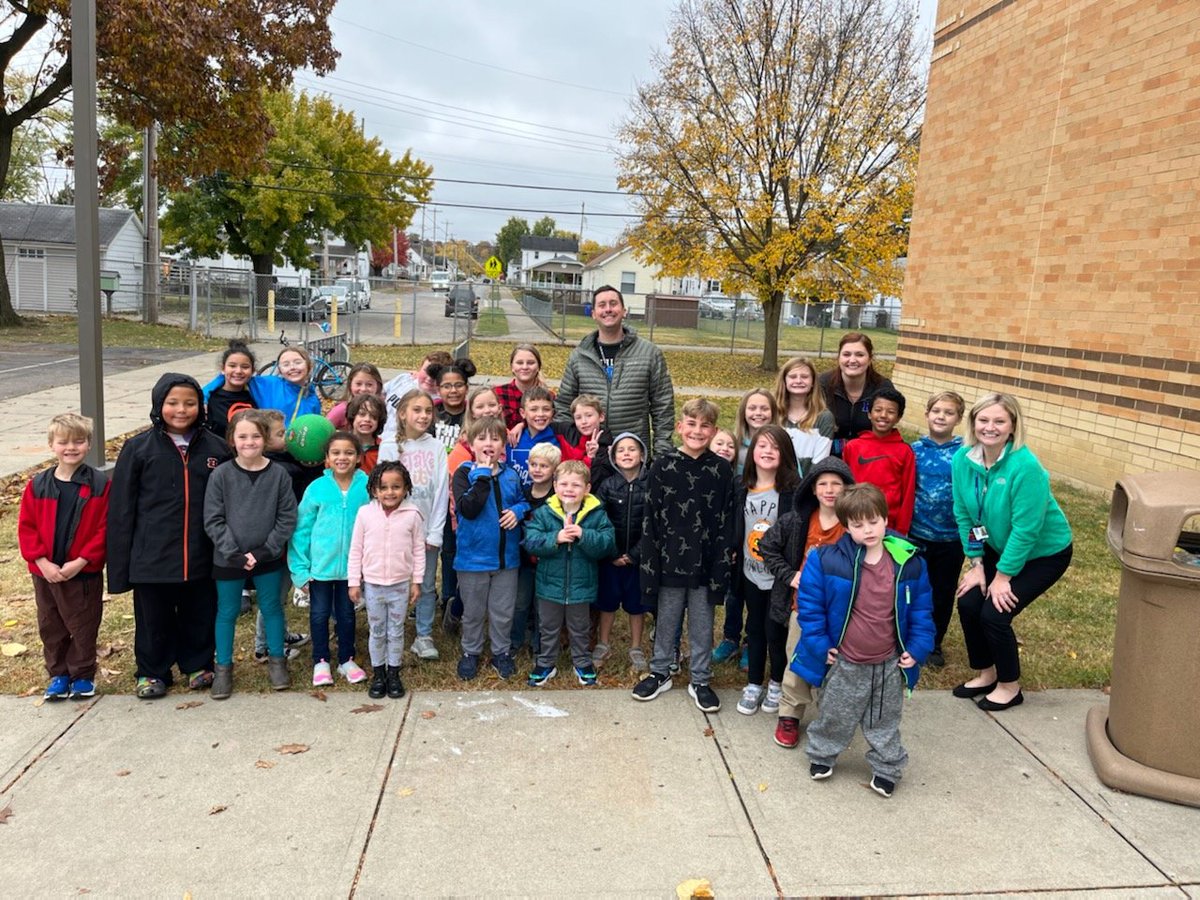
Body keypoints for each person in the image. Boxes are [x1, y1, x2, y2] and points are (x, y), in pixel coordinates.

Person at [794, 484, 935, 798]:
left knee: (884, 720)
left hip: (888, 662)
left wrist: (918, 648)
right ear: (846, 527)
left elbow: (923, 611)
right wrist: (820, 644)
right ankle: (822, 755)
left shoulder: (908, 562)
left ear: (885, 519)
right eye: (857, 525)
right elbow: (811, 608)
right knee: (835, 713)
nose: (867, 530)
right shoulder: (826, 560)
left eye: (873, 521)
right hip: (845, 659)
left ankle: (887, 768)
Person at [107, 373, 232, 699]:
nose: (181, 410)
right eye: (173, 402)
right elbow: (121, 510)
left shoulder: (217, 449)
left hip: (201, 553)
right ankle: (152, 671)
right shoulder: (138, 449)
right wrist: (120, 568)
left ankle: (197, 664)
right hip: (152, 555)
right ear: (159, 404)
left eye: (190, 403)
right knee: (153, 618)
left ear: (200, 406)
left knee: (200, 611)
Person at [951, 393, 1073, 711]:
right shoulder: (963, 460)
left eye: (999, 421)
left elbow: (1026, 530)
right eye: (983, 420)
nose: (990, 427)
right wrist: (977, 563)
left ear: (1012, 426)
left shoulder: (1026, 467)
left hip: (1043, 553)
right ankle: (986, 673)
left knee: (995, 613)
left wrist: (1003, 577)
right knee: (968, 601)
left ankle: (1009, 685)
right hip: (996, 546)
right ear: (973, 423)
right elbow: (967, 514)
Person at [632, 398, 735, 712]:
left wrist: (721, 562)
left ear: (714, 430)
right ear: (680, 427)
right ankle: (661, 669)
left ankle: (701, 678)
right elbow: (651, 517)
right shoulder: (663, 466)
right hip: (669, 561)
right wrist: (651, 562)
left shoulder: (721, 470)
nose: (697, 430)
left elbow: (726, 519)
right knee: (667, 619)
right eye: (691, 424)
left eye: (705, 425)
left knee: (702, 624)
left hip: (705, 563)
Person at [759, 457, 856, 748]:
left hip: (843, 611)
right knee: (799, 660)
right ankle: (789, 714)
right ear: (812, 489)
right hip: (803, 607)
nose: (829, 490)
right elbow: (767, 546)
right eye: (823, 483)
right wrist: (789, 575)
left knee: (840, 665)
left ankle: (833, 716)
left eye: (836, 484)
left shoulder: (855, 525)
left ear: (847, 489)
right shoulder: (796, 521)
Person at [203, 410, 298, 698]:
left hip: (267, 557)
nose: (249, 442)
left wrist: (266, 549)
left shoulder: (278, 474)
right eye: (242, 436)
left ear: (265, 439)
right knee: (227, 612)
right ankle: (223, 668)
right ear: (232, 439)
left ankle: (277, 661)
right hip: (228, 558)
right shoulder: (221, 475)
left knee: (271, 608)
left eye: (256, 436)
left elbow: (287, 516)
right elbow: (213, 518)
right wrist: (233, 552)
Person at [18, 413, 110, 701]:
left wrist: (82, 560)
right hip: (46, 572)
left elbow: (104, 528)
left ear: (88, 445)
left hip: (81, 571)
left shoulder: (99, 485)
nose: (71, 447)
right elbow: (27, 526)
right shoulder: (38, 485)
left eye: (79, 441)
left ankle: (82, 675)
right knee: (51, 623)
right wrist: (41, 562)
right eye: (63, 442)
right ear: (51, 445)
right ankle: (58, 674)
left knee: (82, 623)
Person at [523, 460, 616, 686]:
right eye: (564, 484)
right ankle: (546, 663)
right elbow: (530, 541)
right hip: (548, 586)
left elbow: (608, 543)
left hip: (581, 586)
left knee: (580, 627)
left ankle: (582, 662)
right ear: (555, 486)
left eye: (576, 485)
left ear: (587, 489)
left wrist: (584, 535)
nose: (569, 489)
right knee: (548, 626)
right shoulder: (545, 513)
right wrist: (555, 538)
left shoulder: (596, 514)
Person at [289, 431, 371, 687]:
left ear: (358, 457)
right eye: (335, 453)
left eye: (348, 452)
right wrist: (300, 570)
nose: (342, 457)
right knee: (319, 614)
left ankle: (346, 659)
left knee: (346, 615)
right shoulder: (317, 489)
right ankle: (321, 661)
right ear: (326, 458)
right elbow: (301, 531)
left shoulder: (366, 487)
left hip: (351, 569)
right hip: (319, 570)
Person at [451, 416, 530, 681]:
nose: (489, 443)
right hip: (473, 559)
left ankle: (501, 652)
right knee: (473, 611)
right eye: (482, 438)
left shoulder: (510, 474)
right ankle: (470, 652)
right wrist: (482, 476)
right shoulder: (464, 473)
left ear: (503, 446)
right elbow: (468, 509)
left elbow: (522, 501)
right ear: (471, 443)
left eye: (495, 439)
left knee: (502, 611)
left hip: (506, 560)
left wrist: (518, 511)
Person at [555, 284, 675, 458]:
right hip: (590, 455)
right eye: (602, 305)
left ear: (624, 310)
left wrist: (661, 454)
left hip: (633, 455)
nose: (608, 309)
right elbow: (564, 405)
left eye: (613, 304)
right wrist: (573, 449)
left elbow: (663, 407)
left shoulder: (649, 353)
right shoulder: (579, 356)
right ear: (593, 313)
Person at [734, 425, 801, 717]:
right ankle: (753, 684)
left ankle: (776, 682)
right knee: (754, 628)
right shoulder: (741, 487)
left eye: (775, 447)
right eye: (762, 445)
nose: (767, 452)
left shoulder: (792, 492)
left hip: (780, 577)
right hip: (750, 572)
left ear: (785, 453)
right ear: (752, 452)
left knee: (776, 631)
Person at [348, 460, 426, 701]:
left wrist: (417, 581)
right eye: (383, 487)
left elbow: (419, 549)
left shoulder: (413, 515)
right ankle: (378, 674)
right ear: (374, 490)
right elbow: (356, 549)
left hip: (400, 585)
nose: (390, 492)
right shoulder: (365, 514)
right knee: (377, 630)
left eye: (396, 487)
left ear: (405, 488)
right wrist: (354, 581)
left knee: (396, 630)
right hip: (373, 585)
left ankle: (394, 673)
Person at [910, 390, 966, 667]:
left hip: (951, 539)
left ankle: (934, 644)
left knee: (942, 592)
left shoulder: (966, 454)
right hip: (916, 534)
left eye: (949, 412)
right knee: (913, 587)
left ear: (958, 419)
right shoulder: (914, 451)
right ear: (927, 414)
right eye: (937, 411)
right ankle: (908, 637)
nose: (941, 416)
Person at [392, 390, 448, 661]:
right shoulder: (390, 445)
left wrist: (435, 531)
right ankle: (395, 632)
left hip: (426, 531)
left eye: (428, 410)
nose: (424, 415)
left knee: (426, 584)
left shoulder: (436, 447)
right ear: (403, 413)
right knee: (398, 584)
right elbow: (381, 490)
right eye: (417, 410)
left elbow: (440, 492)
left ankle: (423, 635)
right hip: (397, 532)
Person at [592, 432, 651, 671]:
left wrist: (635, 555)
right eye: (621, 450)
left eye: (632, 449)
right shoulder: (608, 485)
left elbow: (652, 523)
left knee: (636, 605)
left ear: (642, 455)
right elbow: (598, 518)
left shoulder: (650, 484)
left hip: (638, 559)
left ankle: (636, 646)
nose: (626, 454)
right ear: (614, 457)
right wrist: (612, 553)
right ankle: (603, 643)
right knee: (607, 602)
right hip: (611, 558)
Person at [843, 388, 915, 535]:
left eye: (890, 412)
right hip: (855, 521)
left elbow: (908, 494)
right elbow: (844, 486)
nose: (883, 415)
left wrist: (901, 530)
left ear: (898, 417)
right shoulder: (853, 446)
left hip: (889, 525)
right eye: (878, 410)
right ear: (869, 414)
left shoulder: (905, 451)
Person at [512, 441, 561, 656]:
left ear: (554, 470)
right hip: (523, 560)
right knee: (521, 603)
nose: (537, 470)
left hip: (548, 562)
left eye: (544, 466)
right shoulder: (523, 493)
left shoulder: (557, 498)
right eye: (533, 464)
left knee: (543, 608)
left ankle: (539, 646)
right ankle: (514, 642)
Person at [205, 345, 321, 426]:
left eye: (298, 362)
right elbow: (231, 376)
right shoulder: (268, 384)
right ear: (279, 370)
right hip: (268, 451)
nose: (292, 367)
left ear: (309, 366)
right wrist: (203, 396)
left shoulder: (313, 399)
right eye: (286, 364)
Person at [818, 332, 895, 450]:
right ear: (839, 358)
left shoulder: (883, 388)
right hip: (827, 455)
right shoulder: (822, 384)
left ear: (869, 359)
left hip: (868, 455)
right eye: (846, 354)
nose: (852, 360)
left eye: (859, 355)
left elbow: (888, 428)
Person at [379, 350, 454, 459]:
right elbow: (379, 394)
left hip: (401, 450)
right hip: (378, 440)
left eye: (435, 375)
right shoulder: (404, 379)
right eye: (426, 371)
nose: (429, 378)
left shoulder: (439, 403)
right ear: (420, 367)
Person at [773, 357, 834, 475]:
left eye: (805, 377)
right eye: (793, 376)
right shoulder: (774, 414)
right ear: (784, 381)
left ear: (813, 382)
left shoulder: (824, 418)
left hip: (807, 485)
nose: (799, 380)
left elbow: (819, 462)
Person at [202, 340, 257, 437]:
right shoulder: (210, 400)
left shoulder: (256, 397)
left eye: (245, 367)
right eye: (232, 366)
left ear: (253, 371)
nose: (238, 371)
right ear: (223, 369)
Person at [494, 343, 552, 430]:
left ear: (538, 367)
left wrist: (523, 425)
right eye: (519, 363)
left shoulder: (549, 397)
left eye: (530, 363)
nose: (525, 367)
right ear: (512, 367)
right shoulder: (497, 394)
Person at [430, 358, 475, 451]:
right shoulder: (429, 413)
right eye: (446, 386)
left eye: (459, 385)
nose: (453, 390)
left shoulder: (474, 415)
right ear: (438, 390)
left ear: (466, 388)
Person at [733, 389, 778, 475]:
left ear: (773, 413)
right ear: (744, 412)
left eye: (764, 409)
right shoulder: (733, 445)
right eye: (752, 408)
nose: (758, 413)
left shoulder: (783, 445)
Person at [327, 362, 384, 430]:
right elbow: (324, 430)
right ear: (350, 384)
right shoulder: (341, 410)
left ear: (378, 385)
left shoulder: (382, 408)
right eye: (358, 384)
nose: (363, 389)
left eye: (369, 384)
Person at [346, 392, 387, 475]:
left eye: (373, 416)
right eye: (362, 414)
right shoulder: (341, 444)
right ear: (352, 416)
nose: (367, 419)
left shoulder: (383, 447)